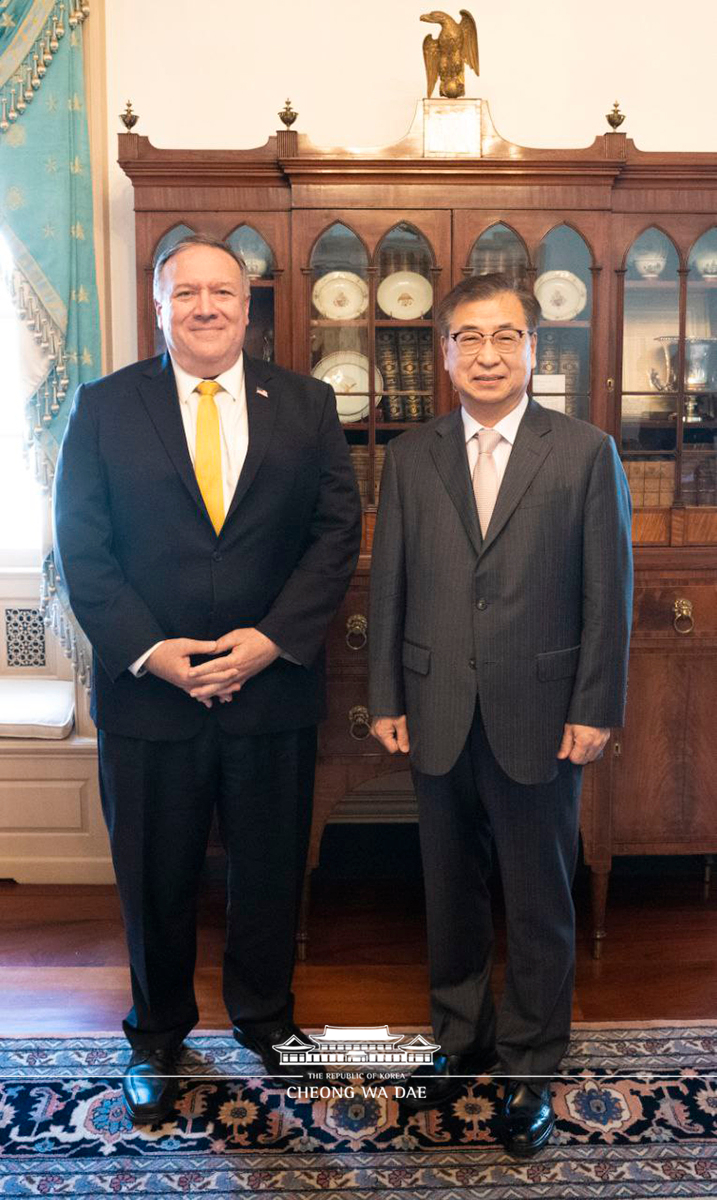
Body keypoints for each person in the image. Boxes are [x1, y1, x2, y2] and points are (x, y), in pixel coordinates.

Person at [53, 233, 362, 1124]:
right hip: (149, 695)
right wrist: (155, 653)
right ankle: (156, 1038)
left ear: (247, 303)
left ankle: (266, 1024)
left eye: (220, 291)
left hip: (272, 689)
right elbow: (85, 549)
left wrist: (270, 640)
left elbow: (333, 534)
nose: (204, 305)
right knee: (154, 875)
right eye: (184, 291)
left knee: (269, 869)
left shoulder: (305, 405)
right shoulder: (105, 407)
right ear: (159, 305)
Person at [368, 273, 632, 1156]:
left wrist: (594, 706)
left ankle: (529, 1066)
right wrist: (385, 698)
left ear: (532, 349)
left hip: (544, 714)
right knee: (448, 892)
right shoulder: (409, 456)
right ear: (443, 353)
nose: (487, 355)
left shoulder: (585, 452)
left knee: (538, 899)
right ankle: (459, 1036)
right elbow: (391, 585)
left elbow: (609, 594)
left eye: (505, 337)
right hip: (435, 705)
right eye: (468, 339)